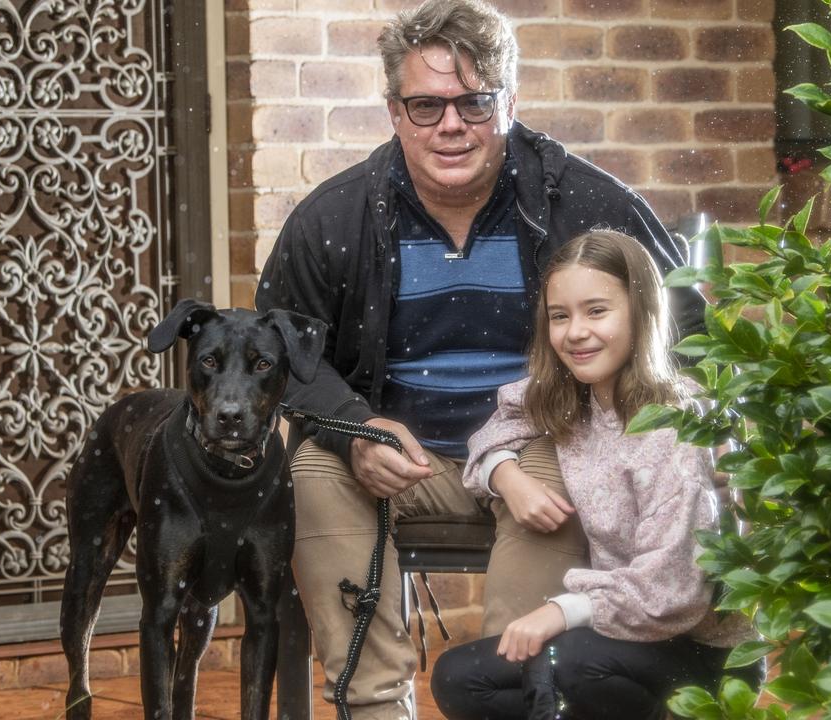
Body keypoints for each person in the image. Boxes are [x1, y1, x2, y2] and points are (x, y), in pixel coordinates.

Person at [253, 1, 705, 717]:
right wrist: (353, 426)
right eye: (426, 105)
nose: (451, 125)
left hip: (542, 446)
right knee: (312, 466)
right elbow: (277, 351)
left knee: (559, 483)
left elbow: (686, 331)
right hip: (401, 455)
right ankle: (372, 705)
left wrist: (618, 432)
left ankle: (518, 698)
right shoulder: (333, 219)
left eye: (473, 102)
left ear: (511, 102)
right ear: (395, 111)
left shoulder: (585, 203)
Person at [428, 230, 752, 720]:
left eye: (597, 311)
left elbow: (673, 593)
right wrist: (508, 475)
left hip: (703, 653)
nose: (575, 332)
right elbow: (493, 431)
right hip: (619, 634)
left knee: (563, 665)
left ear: (642, 313)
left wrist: (559, 611)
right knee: (459, 678)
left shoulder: (674, 423)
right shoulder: (572, 396)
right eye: (561, 316)